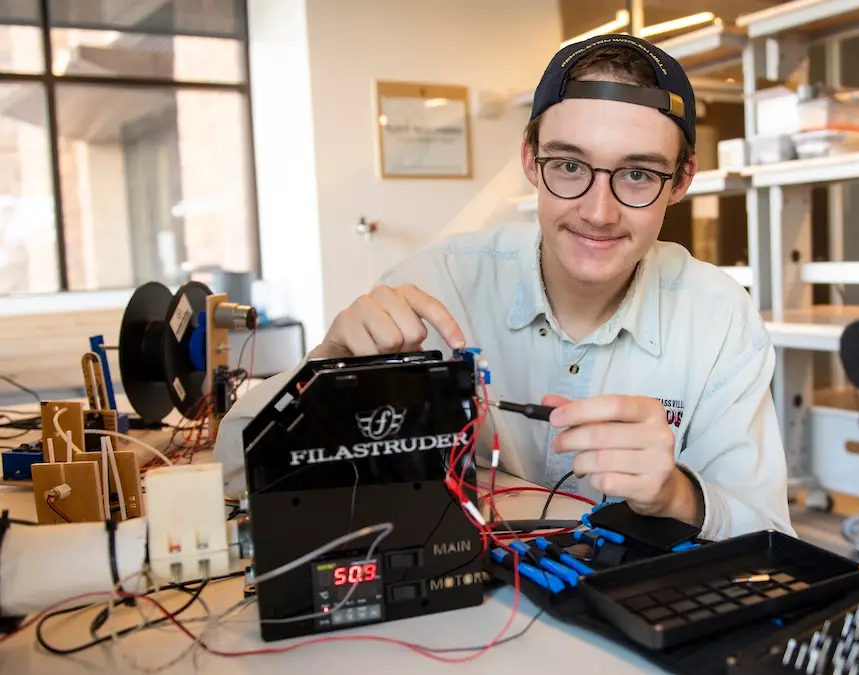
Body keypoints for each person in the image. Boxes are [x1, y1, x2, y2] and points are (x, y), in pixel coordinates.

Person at [215, 34, 793, 540]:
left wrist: (675, 494)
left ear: (681, 182)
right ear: (529, 159)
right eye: (569, 166)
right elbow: (232, 471)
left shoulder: (719, 319)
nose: (598, 211)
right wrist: (329, 367)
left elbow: (769, 532)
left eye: (637, 174)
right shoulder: (437, 285)